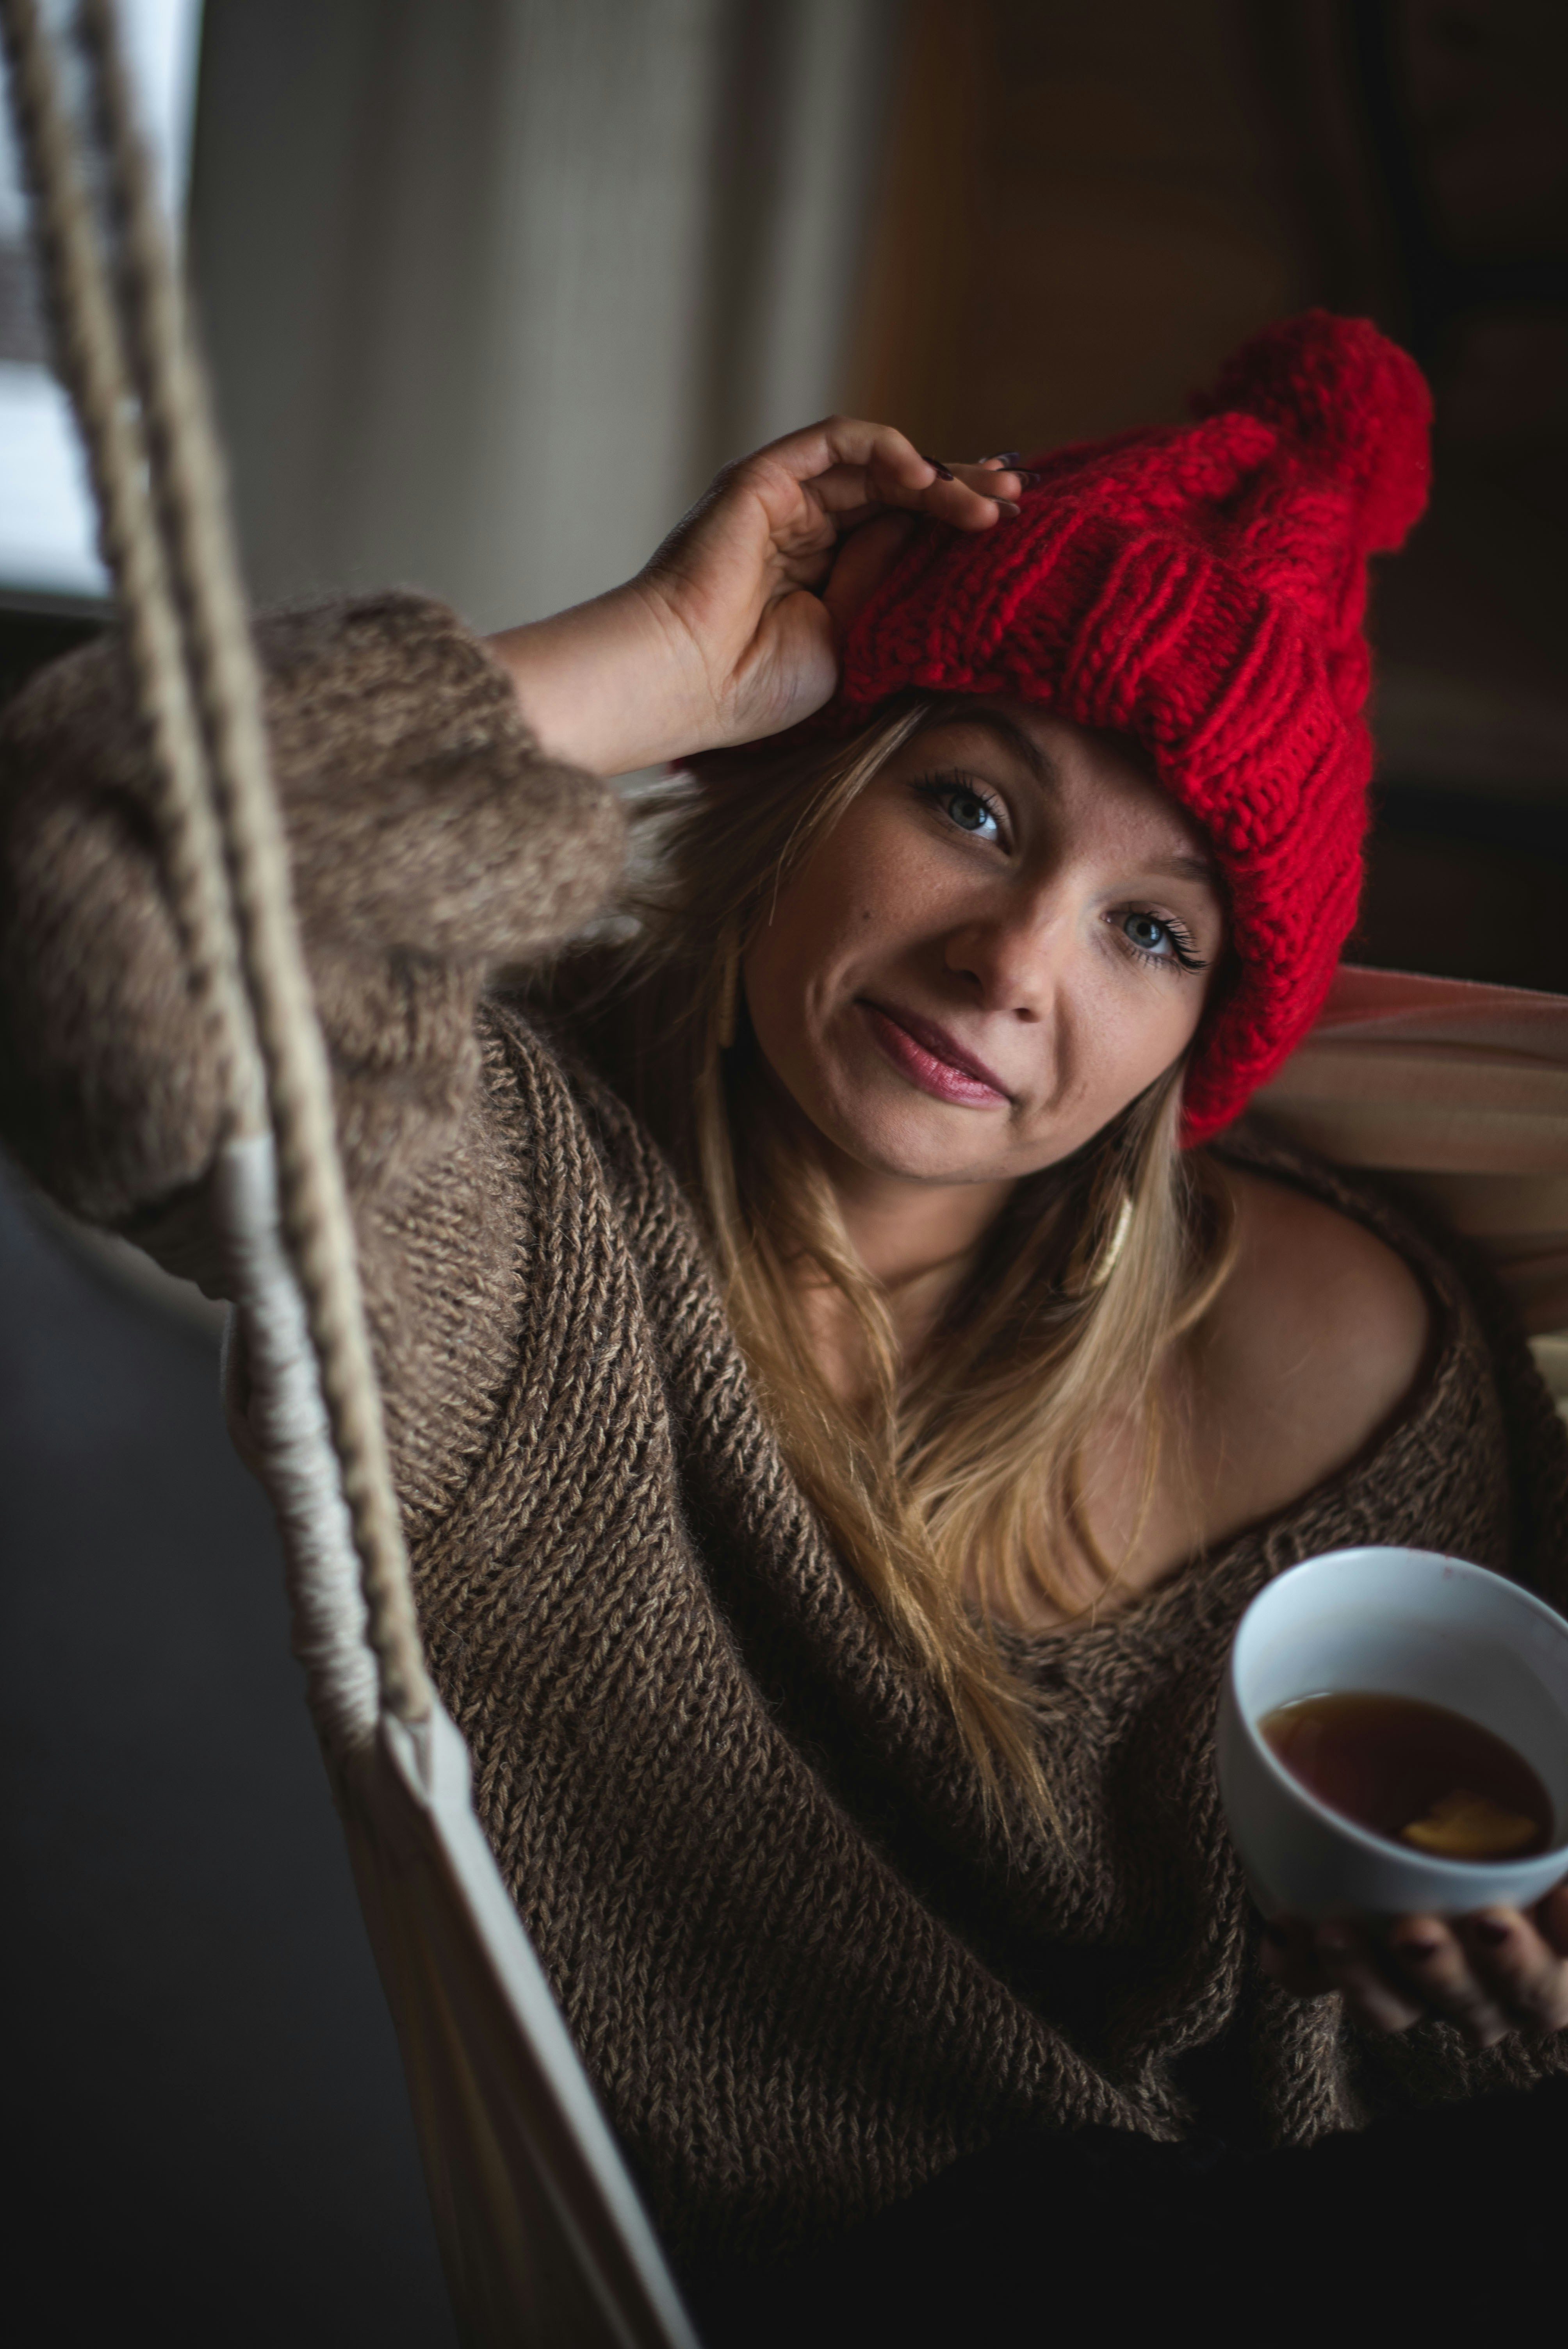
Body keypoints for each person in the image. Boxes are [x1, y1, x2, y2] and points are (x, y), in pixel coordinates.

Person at [2, 311, 1565, 2318]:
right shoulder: (528, 1220)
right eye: (973, 809)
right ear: (804, 774)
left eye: (1148, 928)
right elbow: (78, 900)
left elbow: (1455, 2069)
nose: (1012, 962)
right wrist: (657, 657)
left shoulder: (1357, 1342)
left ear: (1196, 1038)